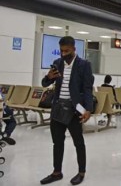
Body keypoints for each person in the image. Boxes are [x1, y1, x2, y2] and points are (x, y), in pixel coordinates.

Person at [40, 36, 94, 185]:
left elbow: (87, 89)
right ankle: (57, 172)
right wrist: (48, 77)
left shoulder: (84, 65)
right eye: (61, 51)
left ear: (74, 49)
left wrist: (88, 109)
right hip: (57, 108)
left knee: (78, 143)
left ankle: (81, 172)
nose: (64, 54)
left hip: (74, 109)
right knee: (57, 142)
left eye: (67, 51)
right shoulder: (57, 63)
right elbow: (45, 83)